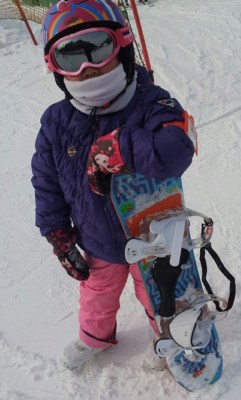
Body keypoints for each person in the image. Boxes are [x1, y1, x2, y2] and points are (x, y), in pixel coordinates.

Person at [32, 0, 194, 371]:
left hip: (152, 237)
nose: (87, 68)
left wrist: (121, 145)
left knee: (157, 292)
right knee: (96, 294)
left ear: (121, 45)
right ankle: (94, 337)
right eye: (71, 57)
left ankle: (167, 337)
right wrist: (56, 230)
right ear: (55, 68)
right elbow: (46, 181)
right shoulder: (56, 122)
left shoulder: (151, 102)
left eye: (98, 47)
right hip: (97, 238)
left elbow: (177, 149)